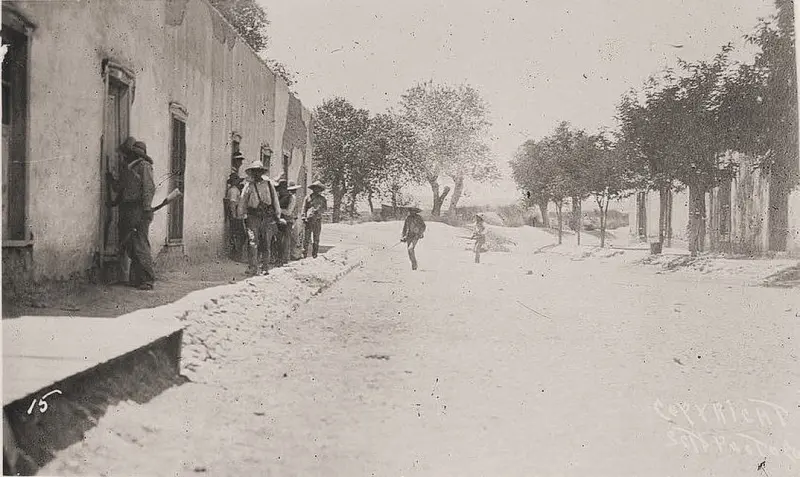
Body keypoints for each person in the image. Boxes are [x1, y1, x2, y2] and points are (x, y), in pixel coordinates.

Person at [117, 141, 156, 289]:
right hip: (129, 208)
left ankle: (147, 279)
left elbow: (149, 187)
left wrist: (146, 208)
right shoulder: (129, 167)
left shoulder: (144, 166)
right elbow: (121, 187)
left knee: (140, 243)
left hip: (139, 208)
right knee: (130, 243)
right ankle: (136, 278)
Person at [238, 160, 285, 275]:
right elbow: (243, 201)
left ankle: (265, 267)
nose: (257, 174)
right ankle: (253, 267)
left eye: (259, 171)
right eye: (255, 171)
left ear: (262, 172)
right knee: (253, 242)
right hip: (253, 216)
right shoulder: (248, 186)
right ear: (252, 173)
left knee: (266, 242)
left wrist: (277, 215)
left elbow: (275, 200)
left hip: (267, 217)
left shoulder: (269, 184)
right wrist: (241, 214)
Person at [275, 177, 300, 266]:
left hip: (288, 221)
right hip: (279, 221)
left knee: (285, 240)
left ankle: (284, 259)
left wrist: (277, 209)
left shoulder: (291, 198)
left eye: (281, 189)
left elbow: (289, 212)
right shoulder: (279, 197)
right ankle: (279, 258)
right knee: (278, 240)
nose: (280, 191)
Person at [302, 180, 327, 258]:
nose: (316, 190)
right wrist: (303, 216)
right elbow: (304, 208)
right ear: (313, 189)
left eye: (318, 188)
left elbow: (324, 209)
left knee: (316, 237)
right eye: (315, 188)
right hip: (308, 220)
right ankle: (304, 253)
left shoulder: (322, 199)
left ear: (320, 190)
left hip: (317, 220)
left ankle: (315, 253)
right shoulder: (308, 197)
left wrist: (318, 211)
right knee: (306, 238)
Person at [225, 173, 246, 262]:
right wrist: (234, 216)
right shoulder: (234, 190)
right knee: (240, 235)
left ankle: (236, 253)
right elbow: (232, 203)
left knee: (238, 235)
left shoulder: (235, 190)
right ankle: (236, 254)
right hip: (236, 215)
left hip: (238, 214)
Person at [401, 206, 426, 270]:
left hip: (416, 236)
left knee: (410, 249)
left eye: (414, 211)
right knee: (409, 251)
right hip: (409, 236)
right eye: (411, 211)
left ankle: (414, 265)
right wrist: (403, 236)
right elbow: (405, 228)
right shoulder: (408, 218)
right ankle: (413, 264)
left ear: (416, 212)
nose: (412, 212)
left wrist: (420, 233)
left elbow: (423, 226)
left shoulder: (419, 218)